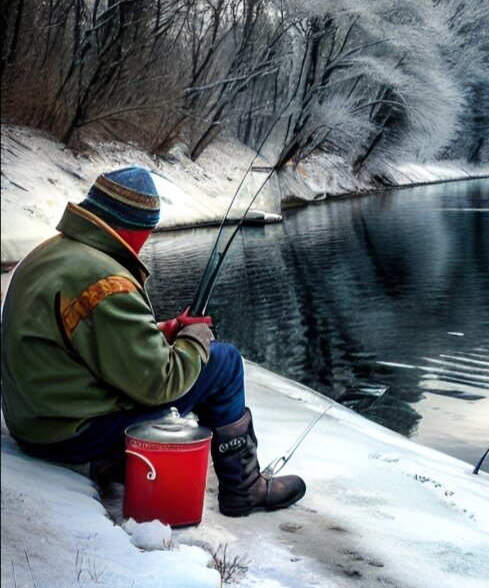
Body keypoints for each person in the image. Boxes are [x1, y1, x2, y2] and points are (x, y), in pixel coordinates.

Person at [0, 166, 305, 516]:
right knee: (224, 362)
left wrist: (169, 328)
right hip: (71, 436)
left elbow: (88, 342)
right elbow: (159, 383)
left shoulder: (46, 255)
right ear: (137, 229)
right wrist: (194, 339)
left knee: (207, 361)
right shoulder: (107, 281)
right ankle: (244, 488)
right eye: (148, 230)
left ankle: (123, 465)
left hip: (35, 423)